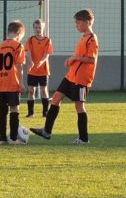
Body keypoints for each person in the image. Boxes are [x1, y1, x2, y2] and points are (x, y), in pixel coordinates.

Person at [31, 9, 98, 144]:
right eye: (76, 23)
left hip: (82, 78)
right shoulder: (83, 37)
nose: (76, 25)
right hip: (71, 76)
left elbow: (92, 60)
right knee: (55, 99)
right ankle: (46, 131)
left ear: (88, 22)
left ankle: (84, 139)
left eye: (78, 22)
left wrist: (73, 58)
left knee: (79, 106)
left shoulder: (92, 39)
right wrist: (72, 60)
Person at [0, 21, 26, 145]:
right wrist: (21, 83)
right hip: (12, 82)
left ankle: (2, 138)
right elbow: (19, 66)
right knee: (14, 109)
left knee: (2, 110)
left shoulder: (0, 46)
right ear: (18, 33)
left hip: (0, 83)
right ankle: (13, 138)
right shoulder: (18, 46)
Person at [24, 19, 54, 118]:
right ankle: (31, 113)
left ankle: (45, 113)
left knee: (43, 90)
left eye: (40, 27)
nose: (38, 29)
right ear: (33, 28)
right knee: (31, 90)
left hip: (43, 70)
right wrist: (31, 61)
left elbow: (47, 54)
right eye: (36, 27)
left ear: (43, 28)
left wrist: (41, 61)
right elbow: (27, 51)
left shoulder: (47, 40)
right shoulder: (30, 40)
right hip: (32, 70)